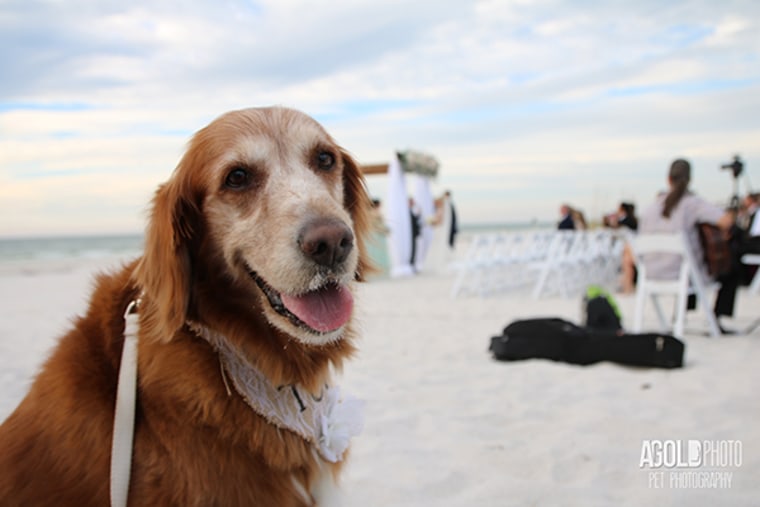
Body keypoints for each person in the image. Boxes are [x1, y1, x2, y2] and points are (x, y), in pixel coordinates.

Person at [638, 158, 737, 331]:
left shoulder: (650, 208)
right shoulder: (692, 204)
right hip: (685, 275)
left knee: (690, 260)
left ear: (668, 179)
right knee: (729, 268)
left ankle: (681, 314)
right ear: (689, 179)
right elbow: (726, 222)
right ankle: (716, 317)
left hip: (650, 273)